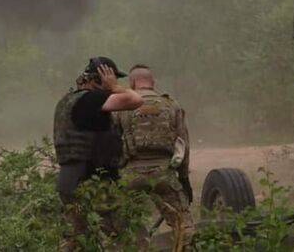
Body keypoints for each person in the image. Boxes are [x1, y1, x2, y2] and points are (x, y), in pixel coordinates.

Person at [54, 56, 143, 251]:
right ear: (98, 79)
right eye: (112, 77)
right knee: (128, 236)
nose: (114, 82)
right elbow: (136, 100)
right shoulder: (90, 99)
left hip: (68, 180)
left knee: (75, 240)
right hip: (93, 182)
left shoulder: (67, 101)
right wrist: (114, 87)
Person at [116, 64, 193, 251]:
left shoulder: (121, 106)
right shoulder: (171, 105)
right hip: (164, 172)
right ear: (153, 82)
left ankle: (141, 246)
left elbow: (113, 142)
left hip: (130, 173)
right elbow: (183, 144)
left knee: (124, 223)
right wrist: (184, 179)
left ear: (132, 82)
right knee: (183, 225)